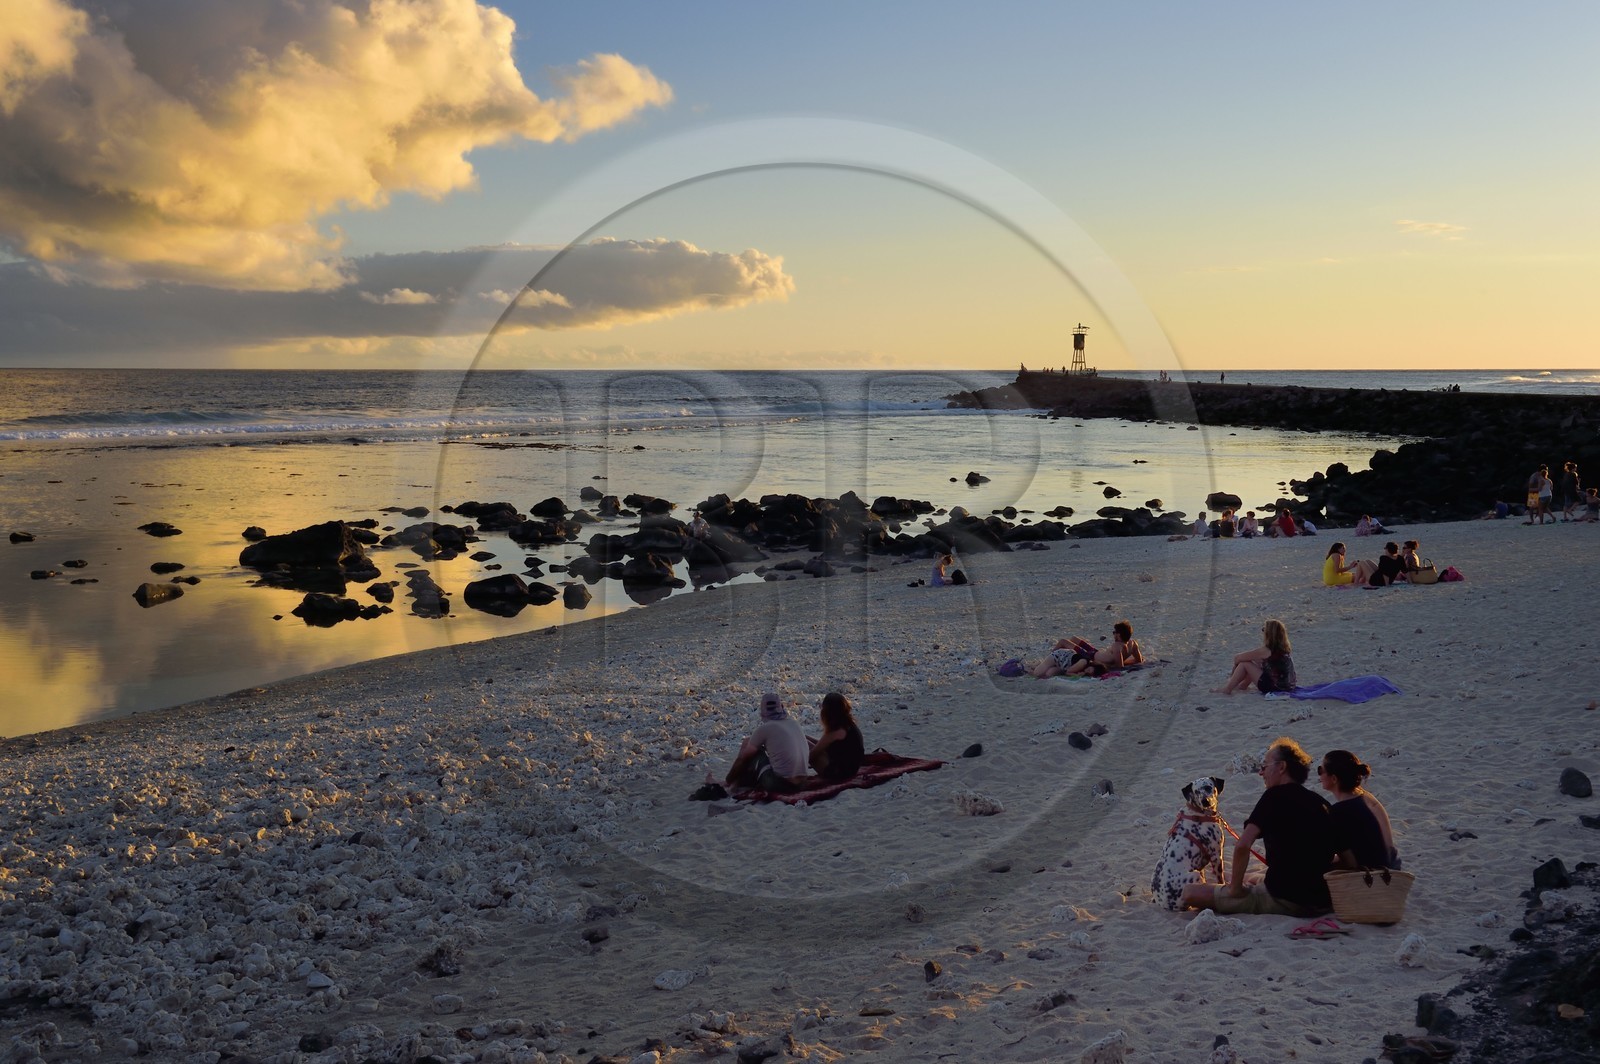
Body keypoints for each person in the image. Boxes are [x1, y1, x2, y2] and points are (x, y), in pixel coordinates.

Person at [1182, 737, 1345, 917]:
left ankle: (1235, 888)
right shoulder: (1321, 803)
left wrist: (1235, 890)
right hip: (1323, 899)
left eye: (1265, 766)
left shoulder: (1273, 797)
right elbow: (1347, 858)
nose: (1261, 772)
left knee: (1190, 892)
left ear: (1282, 767)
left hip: (1285, 900)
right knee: (1252, 877)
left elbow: (1243, 846)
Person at [1317, 750, 1400, 870]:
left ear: (1334, 779)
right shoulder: (1366, 798)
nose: (1319, 775)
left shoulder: (1338, 812)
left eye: (1321, 770)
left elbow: (1349, 862)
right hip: (1389, 869)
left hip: (1368, 875)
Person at [724, 692, 810, 793]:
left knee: (752, 749)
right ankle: (735, 782)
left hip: (781, 785)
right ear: (781, 707)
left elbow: (743, 758)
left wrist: (728, 779)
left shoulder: (765, 728)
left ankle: (731, 783)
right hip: (802, 783)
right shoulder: (794, 723)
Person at [1030, 621, 1142, 678]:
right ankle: (1054, 660)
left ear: (1118, 635)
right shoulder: (1134, 644)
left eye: (1114, 633)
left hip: (1089, 656)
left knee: (1063, 642)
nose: (1113, 635)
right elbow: (1138, 660)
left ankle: (1048, 660)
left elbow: (1119, 667)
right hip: (1094, 652)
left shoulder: (1117, 646)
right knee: (1074, 639)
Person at [1216, 618, 1295, 694]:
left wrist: (1235, 668)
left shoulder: (1266, 650)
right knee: (1258, 662)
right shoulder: (1284, 650)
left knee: (1244, 664)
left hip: (1273, 687)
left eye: (1264, 630)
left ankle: (1227, 689)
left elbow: (1237, 658)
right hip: (1288, 686)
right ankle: (1242, 685)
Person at [809, 692, 865, 781]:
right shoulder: (848, 725)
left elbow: (811, 756)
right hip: (850, 769)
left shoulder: (836, 732)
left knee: (806, 746)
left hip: (839, 774)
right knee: (805, 739)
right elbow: (822, 745)